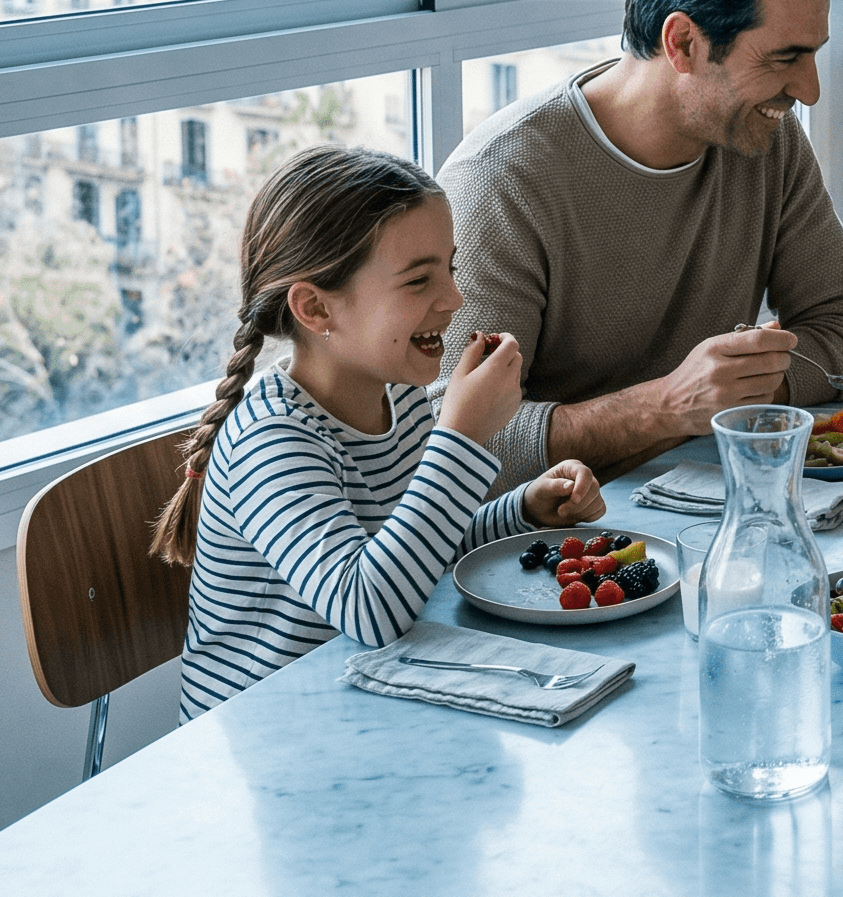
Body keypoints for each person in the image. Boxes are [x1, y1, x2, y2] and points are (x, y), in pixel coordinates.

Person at [436, 0, 843, 495]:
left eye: (813, 57)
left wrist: (732, 395)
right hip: (555, 552)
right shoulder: (501, 181)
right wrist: (665, 407)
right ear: (682, 44)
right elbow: (451, 445)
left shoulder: (763, 140)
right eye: (784, 58)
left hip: (706, 504)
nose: (809, 90)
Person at [152, 145, 605, 721]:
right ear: (316, 309)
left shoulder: (398, 392)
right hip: (276, 734)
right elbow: (370, 608)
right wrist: (461, 438)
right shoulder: (273, 440)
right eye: (419, 281)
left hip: (372, 696)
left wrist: (521, 511)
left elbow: (414, 553)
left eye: (451, 267)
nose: (455, 299)